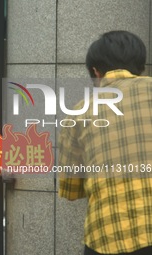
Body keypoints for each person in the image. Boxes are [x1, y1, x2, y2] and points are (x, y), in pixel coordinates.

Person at [58, 30, 152, 255]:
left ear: (96, 72)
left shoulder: (79, 113)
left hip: (108, 236)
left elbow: (69, 188)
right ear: (141, 66)